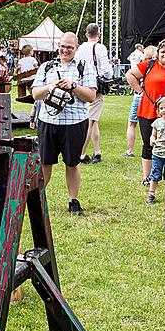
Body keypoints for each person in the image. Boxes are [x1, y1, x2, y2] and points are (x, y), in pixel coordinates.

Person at [30, 32, 98, 215]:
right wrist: (50, 87)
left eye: (70, 47)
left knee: (72, 163)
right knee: (44, 163)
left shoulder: (85, 67)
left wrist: (73, 86)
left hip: (74, 122)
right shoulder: (46, 67)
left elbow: (91, 96)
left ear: (76, 48)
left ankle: (73, 201)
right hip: (48, 121)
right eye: (63, 46)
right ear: (57, 46)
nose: (65, 50)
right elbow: (36, 94)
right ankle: (37, 200)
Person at [125, 38, 165, 187]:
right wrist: (140, 91)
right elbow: (130, 75)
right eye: (162, 51)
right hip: (148, 111)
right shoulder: (149, 65)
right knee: (149, 143)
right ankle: (147, 177)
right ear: (158, 53)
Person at [77, 23, 113, 164]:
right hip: (95, 87)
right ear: (99, 35)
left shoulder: (80, 48)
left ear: (86, 34)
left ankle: (97, 152)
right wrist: (108, 77)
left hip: (82, 85)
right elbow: (106, 69)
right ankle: (81, 153)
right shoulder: (100, 47)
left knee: (94, 120)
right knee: (90, 121)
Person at [122, 44, 153, 158]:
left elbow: (130, 74)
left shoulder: (142, 64)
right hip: (150, 96)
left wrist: (139, 91)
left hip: (140, 95)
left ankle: (130, 150)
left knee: (132, 123)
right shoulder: (155, 66)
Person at [146, 97, 165, 204]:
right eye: (161, 108)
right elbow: (153, 135)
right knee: (155, 174)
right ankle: (151, 194)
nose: (164, 110)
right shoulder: (157, 122)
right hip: (157, 153)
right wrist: (152, 140)